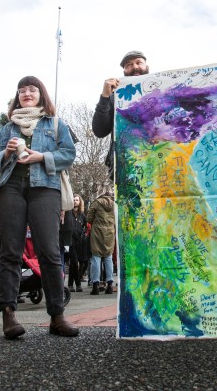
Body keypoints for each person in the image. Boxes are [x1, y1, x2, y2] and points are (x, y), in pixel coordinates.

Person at [0, 75, 79, 339]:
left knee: (49, 251)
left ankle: (57, 316)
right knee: (10, 252)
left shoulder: (56, 123)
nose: (26, 94)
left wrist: (42, 156)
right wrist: (6, 153)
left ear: (41, 94)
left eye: (31, 90)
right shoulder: (7, 128)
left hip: (45, 188)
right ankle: (8, 315)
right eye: (21, 91)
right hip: (11, 188)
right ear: (17, 97)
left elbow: (68, 154)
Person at [93, 50, 149, 179]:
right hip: (125, 169)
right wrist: (105, 96)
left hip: (160, 164)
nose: (135, 67)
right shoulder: (115, 98)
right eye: (129, 65)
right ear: (124, 71)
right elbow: (99, 131)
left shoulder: (163, 91)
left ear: (146, 67)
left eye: (139, 62)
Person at [86, 187, 116, 295]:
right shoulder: (114, 204)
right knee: (108, 257)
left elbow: (89, 218)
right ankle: (110, 284)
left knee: (96, 258)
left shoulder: (96, 203)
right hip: (110, 232)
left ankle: (95, 285)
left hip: (97, 233)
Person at [66, 195, 88, 292]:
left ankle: (70, 284)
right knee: (74, 262)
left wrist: (84, 234)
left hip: (79, 241)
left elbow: (86, 226)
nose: (75, 201)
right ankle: (78, 284)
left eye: (77, 200)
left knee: (74, 263)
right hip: (70, 240)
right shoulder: (68, 213)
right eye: (74, 200)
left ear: (80, 202)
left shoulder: (82, 215)